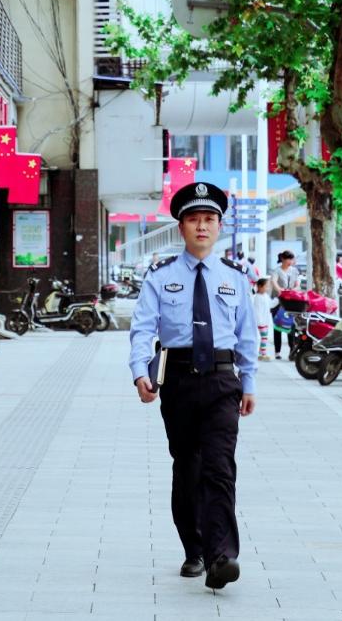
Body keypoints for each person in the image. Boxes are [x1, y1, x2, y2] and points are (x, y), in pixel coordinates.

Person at [129, 181, 258, 591]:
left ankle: (223, 555)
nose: (202, 227)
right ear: (181, 228)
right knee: (188, 468)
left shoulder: (235, 278)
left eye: (209, 220)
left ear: (219, 227)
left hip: (223, 379)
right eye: (193, 220)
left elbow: (247, 335)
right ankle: (194, 549)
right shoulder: (160, 277)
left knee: (220, 467)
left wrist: (249, 381)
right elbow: (142, 329)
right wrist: (139, 372)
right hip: (179, 380)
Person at [270, 250, 300, 359]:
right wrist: (281, 291)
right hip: (278, 301)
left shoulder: (294, 271)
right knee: (277, 326)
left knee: (290, 325)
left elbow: (297, 284)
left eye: (291, 259)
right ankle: (277, 352)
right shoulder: (277, 271)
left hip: (290, 302)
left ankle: (292, 350)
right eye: (288, 259)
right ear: (283, 259)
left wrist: (292, 290)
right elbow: (274, 282)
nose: (290, 261)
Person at [252, 278, 272, 360]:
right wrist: (259, 322)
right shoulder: (257, 297)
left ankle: (262, 353)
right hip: (260, 322)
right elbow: (257, 311)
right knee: (261, 338)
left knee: (264, 338)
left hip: (265, 321)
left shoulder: (266, 296)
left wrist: (278, 300)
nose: (267, 288)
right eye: (266, 286)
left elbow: (270, 305)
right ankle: (261, 354)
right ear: (259, 286)